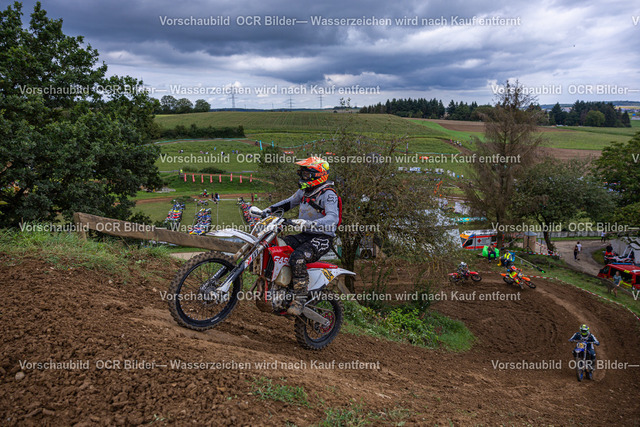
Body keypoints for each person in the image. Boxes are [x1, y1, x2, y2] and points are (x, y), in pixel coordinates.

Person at [263, 157, 340, 315]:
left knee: (297, 257)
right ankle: (281, 288)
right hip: (305, 235)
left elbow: (333, 218)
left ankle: (300, 298)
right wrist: (268, 211)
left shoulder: (328, 194)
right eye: (302, 173)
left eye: (306, 174)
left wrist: (308, 223)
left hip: (322, 238)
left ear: (318, 175)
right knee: (278, 245)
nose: (303, 177)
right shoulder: (304, 191)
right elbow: (289, 203)